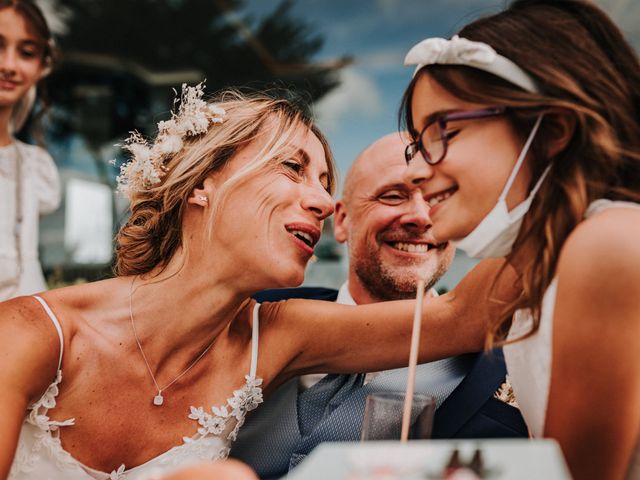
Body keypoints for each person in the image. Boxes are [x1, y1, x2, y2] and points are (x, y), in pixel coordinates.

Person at [0, 82, 508, 480]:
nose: (326, 203)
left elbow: (464, 316)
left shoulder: (279, 335)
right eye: (293, 168)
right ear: (203, 181)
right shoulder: (30, 333)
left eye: (327, 187)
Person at [399, 0, 640, 478]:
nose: (415, 170)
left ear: (551, 130)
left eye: (444, 130)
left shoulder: (607, 245)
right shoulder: (544, 262)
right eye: (416, 142)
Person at [231, 132, 527, 478]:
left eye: (437, 200)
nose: (421, 217)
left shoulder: (510, 358)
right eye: (392, 196)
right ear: (340, 220)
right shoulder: (249, 316)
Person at [0, 0, 61, 301]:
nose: (9, 65)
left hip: (28, 333)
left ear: (40, 67)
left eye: (26, 53)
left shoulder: (36, 167)